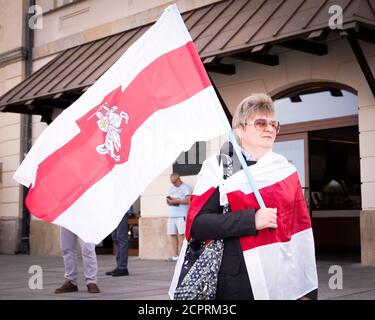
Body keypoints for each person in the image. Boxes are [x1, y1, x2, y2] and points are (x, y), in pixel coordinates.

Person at [170, 93, 318, 300]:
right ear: (239, 130)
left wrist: (307, 290)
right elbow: (197, 225)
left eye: (273, 124)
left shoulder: (285, 170)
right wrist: (251, 220)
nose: (269, 128)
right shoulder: (219, 167)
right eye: (260, 122)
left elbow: (300, 230)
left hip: (281, 278)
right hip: (237, 281)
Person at [55, 227, 100, 294]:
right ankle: (71, 281)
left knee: (88, 249)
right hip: (66, 218)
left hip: (85, 220)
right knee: (67, 249)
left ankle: (91, 282)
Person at [166, 173, 192, 261]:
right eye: (172, 182)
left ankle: (183, 255)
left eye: (175, 182)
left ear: (179, 179)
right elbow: (169, 200)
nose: (174, 184)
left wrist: (176, 201)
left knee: (182, 236)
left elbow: (188, 200)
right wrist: (169, 201)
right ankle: (175, 256)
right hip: (171, 215)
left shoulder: (186, 187)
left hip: (181, 215)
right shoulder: (172, 188)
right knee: (172, 235)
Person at [105, 206, 133, 276]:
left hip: (122, 210)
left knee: (121, 238)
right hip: (113, 212)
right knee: (115, 237)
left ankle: (122, 267)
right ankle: (119, 266)